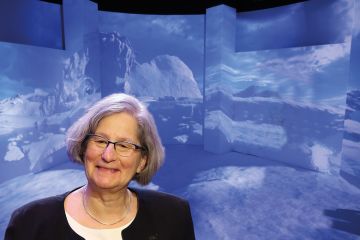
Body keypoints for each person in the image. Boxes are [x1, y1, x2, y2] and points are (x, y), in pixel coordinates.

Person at [5, 93, 196, 240]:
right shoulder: (29, 223)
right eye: (100, 141)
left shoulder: (173, 216)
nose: (108, 155)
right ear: (84, 145)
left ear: (142, 161)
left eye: (124, 145)